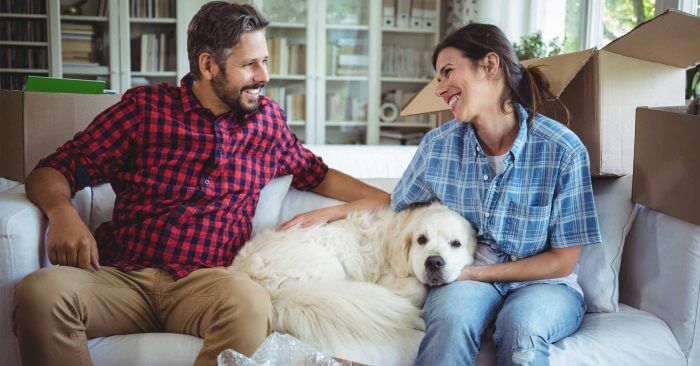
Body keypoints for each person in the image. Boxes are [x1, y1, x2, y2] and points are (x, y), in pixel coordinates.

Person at [12, 3, 388, 366]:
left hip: (208, 284)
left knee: (251, 303)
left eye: (265, 61)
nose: (264, 76)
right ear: (208, 65)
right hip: (121, 278)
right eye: (250, 64)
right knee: (40, 293)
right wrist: (63, 213)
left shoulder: (267, 124)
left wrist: (345, 209)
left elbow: (320, 175)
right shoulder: (144, 110)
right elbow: (52, 170)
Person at [391, 23, 602, 366]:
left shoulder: (562, 150)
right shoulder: (437, 147)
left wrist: (475, 273)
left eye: (447, 73)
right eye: (438, 79)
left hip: (545, 285)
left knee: (522, 327)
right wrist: (333, 211)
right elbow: (396, 209)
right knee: (450, 319)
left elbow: (563, 261)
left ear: (489, 65)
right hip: (465, 281)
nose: (440, 89)